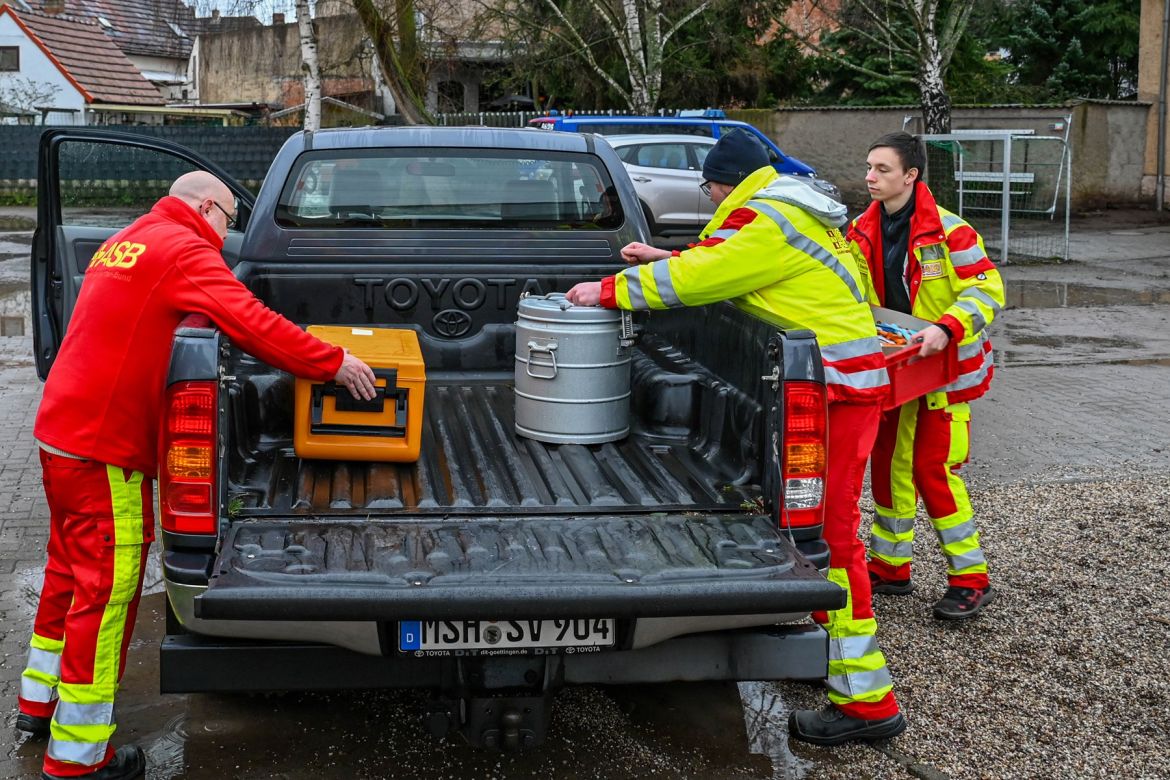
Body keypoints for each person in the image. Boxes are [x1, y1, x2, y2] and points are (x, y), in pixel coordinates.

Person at [17, 171, 377, 780]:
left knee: (67, 571)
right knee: (107, 594)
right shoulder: (185, 249)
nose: (227, 235)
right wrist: (334, 362)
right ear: (207, 208)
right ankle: (78, 760)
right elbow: (252, 322)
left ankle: (37, 703)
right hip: (103, 451)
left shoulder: (131, 237)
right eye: (229, 221)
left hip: (61, 435)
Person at [566, 129, 905, 746]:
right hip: (842, 387)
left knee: (833, 540)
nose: (710, 193)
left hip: (839, 392)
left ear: (724, 182)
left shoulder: (769, 221)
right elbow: (724, 266)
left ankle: (867, 703)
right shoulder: (787, 207)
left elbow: (713, 273)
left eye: (710, 184)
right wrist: (666, 261)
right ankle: (839, 662)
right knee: (828, 535)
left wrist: (609, 291)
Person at [847, 132, 1005, 620]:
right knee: (889, 469)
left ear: (911, 176)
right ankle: (890, 566)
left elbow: (987, 290)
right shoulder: (859, 230)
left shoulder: (953, 233)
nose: (870, 177)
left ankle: (971, 578)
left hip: (945, 374)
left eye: (882, 169)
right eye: (869, 167)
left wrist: (945, 328)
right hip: (897, 369)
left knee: (933, 472)